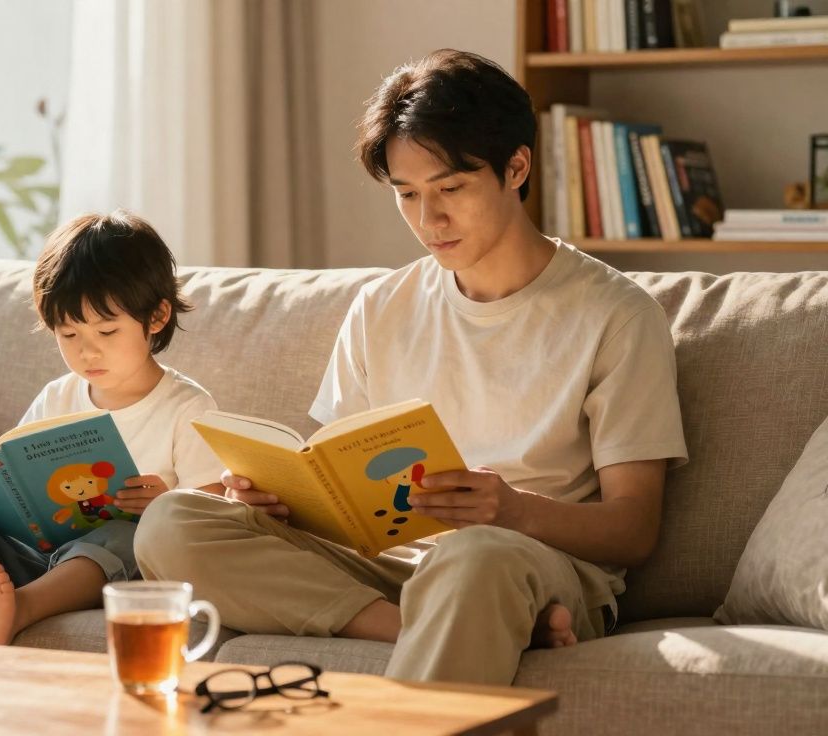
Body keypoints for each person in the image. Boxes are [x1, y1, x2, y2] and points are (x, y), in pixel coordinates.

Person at [133, 49, 688, 685]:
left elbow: (634, 530)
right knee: (174, 522)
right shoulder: (382, 306)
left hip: (528, 559)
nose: (429, 220)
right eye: (407, 194)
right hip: (393, 563)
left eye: (450, 188)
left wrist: (512, 510)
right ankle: (423, 625)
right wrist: (281, 498)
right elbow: (339, 480)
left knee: (477, 559)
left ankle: (475, 620)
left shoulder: (617, 314)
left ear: (516, 167)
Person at [0, 210, 226, 645]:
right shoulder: (57, 396)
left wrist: (166, 503)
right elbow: (12, 472)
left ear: (156, 318)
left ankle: (20, 608)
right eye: (69, 335)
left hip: (108, 566)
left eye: (107, 331)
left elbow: (212, 510)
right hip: (30, 551)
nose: (88, 352)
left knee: (123, 534)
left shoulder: (186, 406)